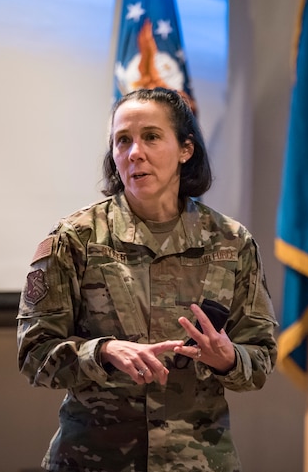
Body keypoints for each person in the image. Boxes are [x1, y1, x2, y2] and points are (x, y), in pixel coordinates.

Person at [17, 87, 278, 472]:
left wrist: (227, 359)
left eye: (151, 137)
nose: (134, 152)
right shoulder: (76, 238)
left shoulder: (231, 242)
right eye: (122, 141)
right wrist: (103, 351)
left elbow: (261, 357)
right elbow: (34, 354)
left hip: (199, 460)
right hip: (95, 460)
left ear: (185, 150)